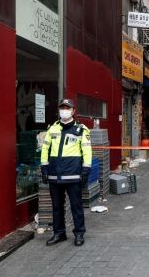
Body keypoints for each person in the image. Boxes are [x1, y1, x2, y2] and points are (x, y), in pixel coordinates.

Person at [40, 99, 92, 246]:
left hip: (73, 175)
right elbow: (45, 148)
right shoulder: (52, 129)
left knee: (76, 206)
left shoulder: (81, 129)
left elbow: (87, 151)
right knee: (56, 207)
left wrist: (86, 169)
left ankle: (79, 234)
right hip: (54, 175)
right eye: (62, 108)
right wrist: (44, 167)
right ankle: (59, 233)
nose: (64, 111)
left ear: (73, 111)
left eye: (67, 108)